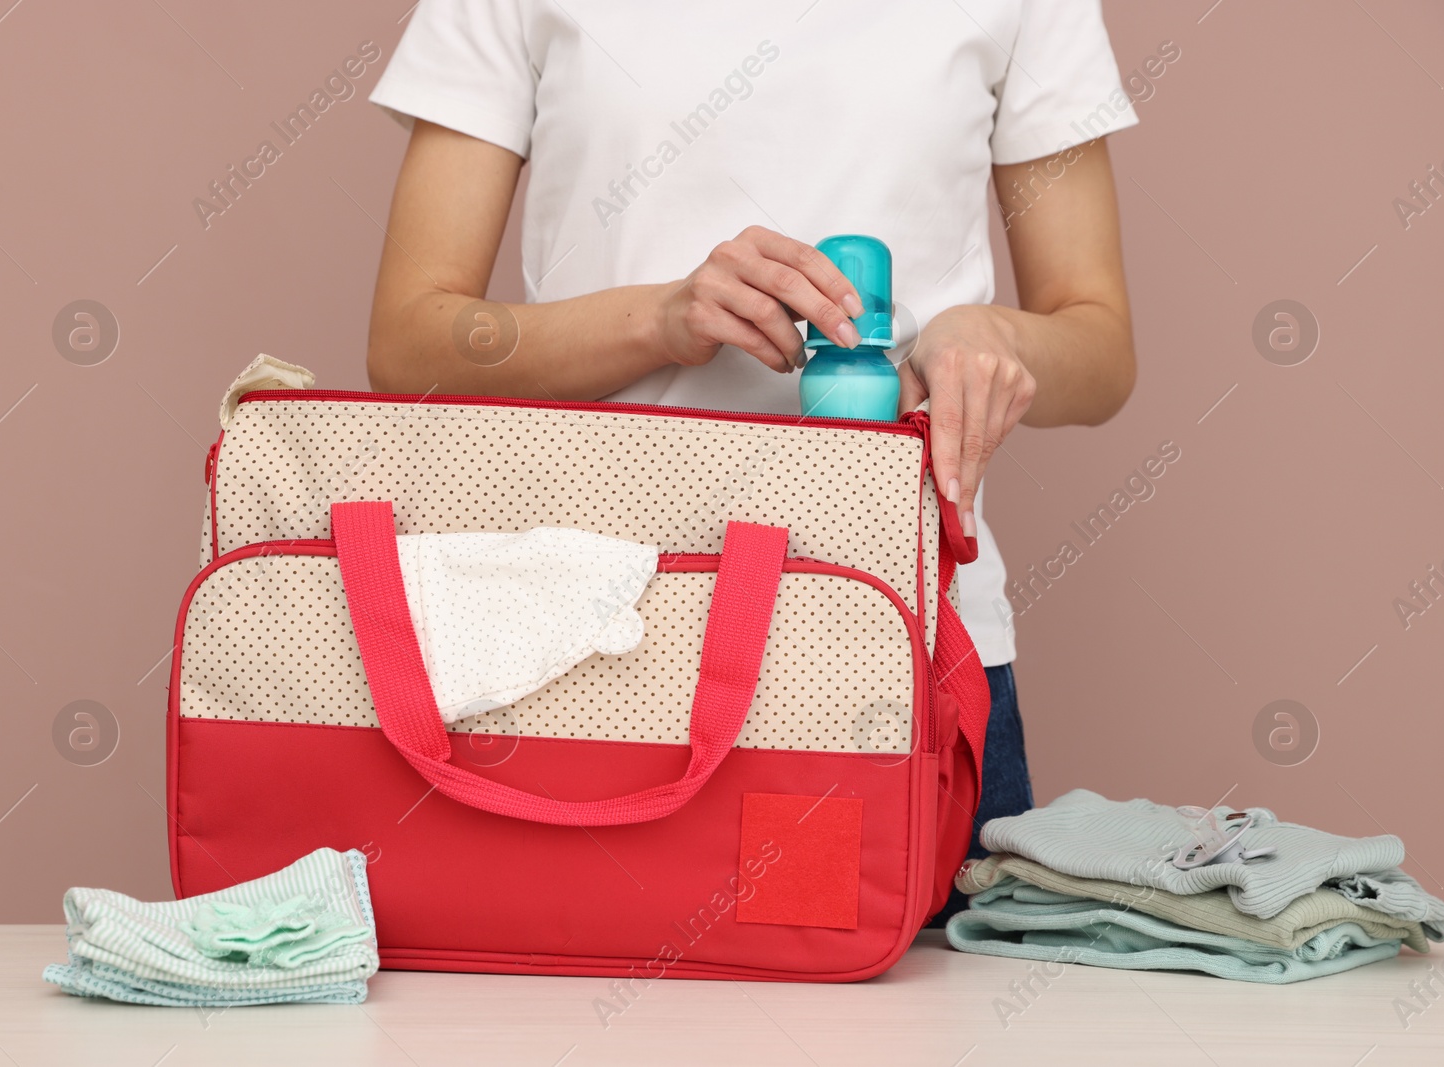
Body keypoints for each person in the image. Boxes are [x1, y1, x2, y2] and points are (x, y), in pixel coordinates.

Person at [365, 1, 1139, 923]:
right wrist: (658, 320)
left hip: (901, 646)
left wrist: (987, 335)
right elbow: (409, 341)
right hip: (596, 643)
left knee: (918, 1033)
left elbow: (1099, 348)